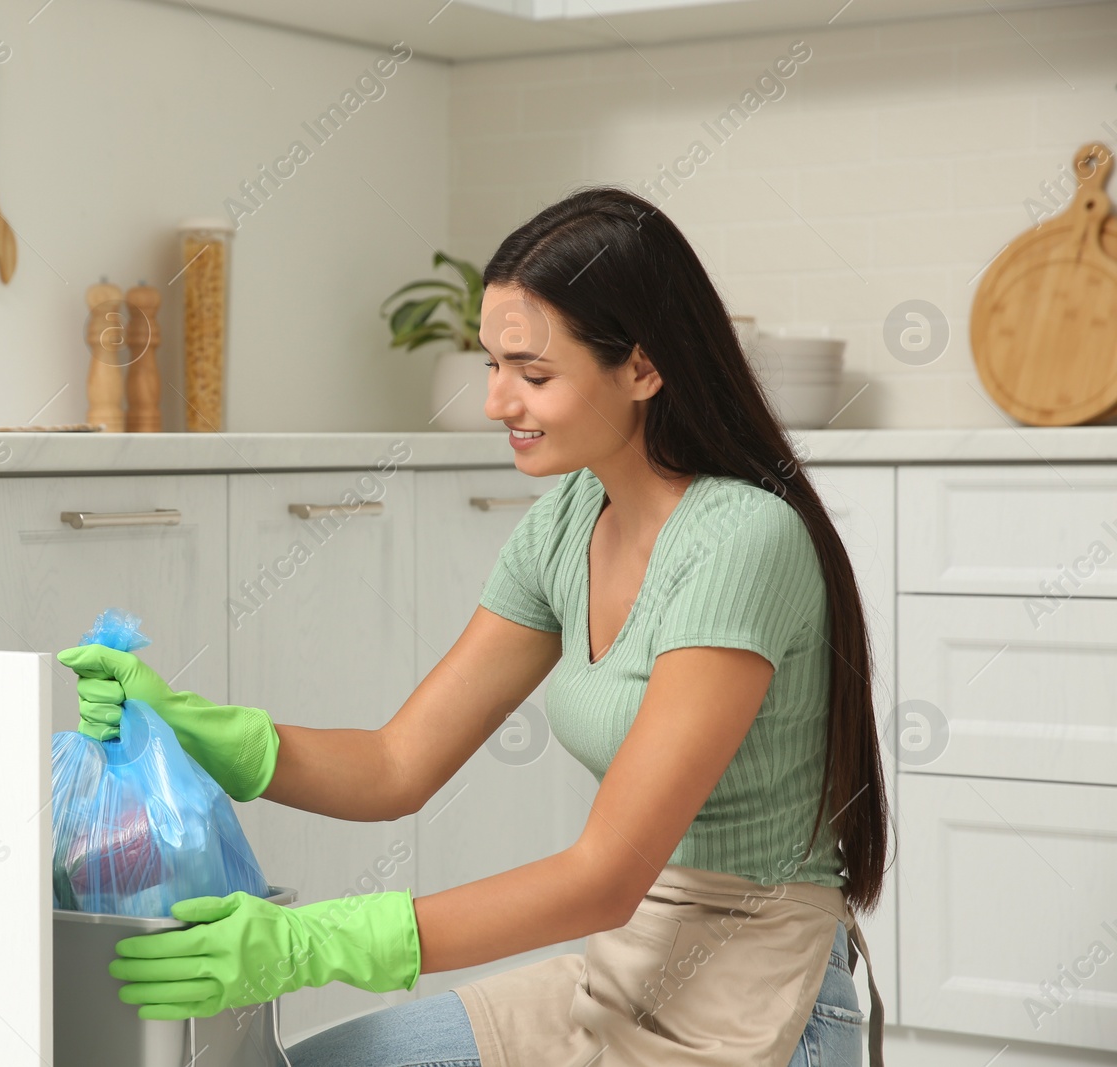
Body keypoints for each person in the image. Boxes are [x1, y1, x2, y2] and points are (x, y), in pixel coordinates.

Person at [55, 186, 889, 1067]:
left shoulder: (742, 541)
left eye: (533, 373)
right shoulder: (570, 517)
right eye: (493, 365)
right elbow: (396, 763)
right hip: (624, 970)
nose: (497, 402)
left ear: (643, 369)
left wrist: (313, 942)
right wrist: (197, 727)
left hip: (760, 996)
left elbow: (605, 875)